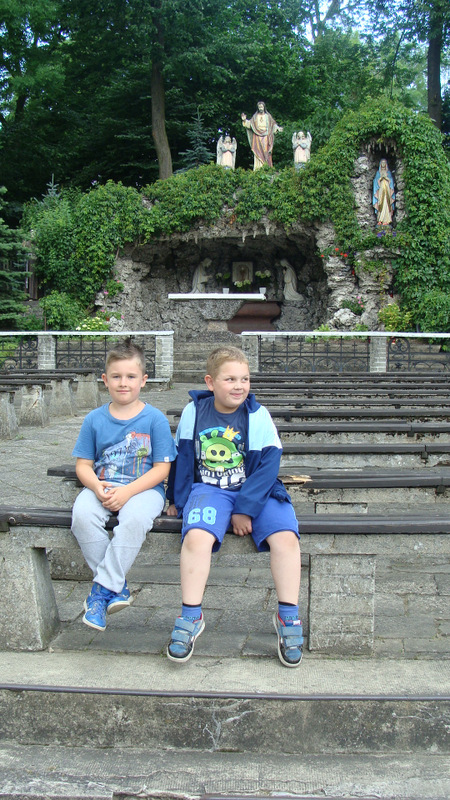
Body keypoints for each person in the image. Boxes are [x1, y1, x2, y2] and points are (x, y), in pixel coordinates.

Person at [166, 345, 303, 667]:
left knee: (286, 538)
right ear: (210, 382)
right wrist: (176, 498)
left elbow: (268, 466)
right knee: (196, 538)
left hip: (257, 489)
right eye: (230, 379)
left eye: (245, 379)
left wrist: (245, 509)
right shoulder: (194, 411)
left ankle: (288, 615)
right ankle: (190, 616)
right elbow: (181, 457)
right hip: (209, 488)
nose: (239, 386)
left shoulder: (257, 414)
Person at [71, 338, 176, 631]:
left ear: (143, 380)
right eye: (116, 377)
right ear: (105, 380)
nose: (123, 383)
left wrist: (128, 491)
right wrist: (96, 487)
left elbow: (162, 468)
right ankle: (117, 586)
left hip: (144, 489)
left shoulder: (154, 419)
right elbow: (83, 465)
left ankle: (101, 591)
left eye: (131, 376)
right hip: (103, 486)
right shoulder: (94, 419)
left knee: (133, 520)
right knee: (81, 516)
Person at [241, 101, 283, 170]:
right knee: (257, 151)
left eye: (261, 106)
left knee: (266, 152)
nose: (260, 108)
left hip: (266, 136)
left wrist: (277, 128)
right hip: (257, 136)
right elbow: (250, 124)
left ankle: (266, 167)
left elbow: (273, 124)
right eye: (259, 107)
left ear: (264, 107)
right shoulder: (255, 117)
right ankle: (258, 167)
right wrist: (245, 120)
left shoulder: (268, 116)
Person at [373, 158, 395, 226]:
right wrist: (380, 179)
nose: (383, 164)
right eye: (382, 163)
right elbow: (375, 182)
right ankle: (380, 219)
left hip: (387, 191)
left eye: (384, 163)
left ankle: (387, 220)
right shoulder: (378, 173)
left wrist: (386, 178)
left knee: (387, 203)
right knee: (381, 203)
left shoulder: (388, 173)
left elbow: (391, 181)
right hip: (381, 191)